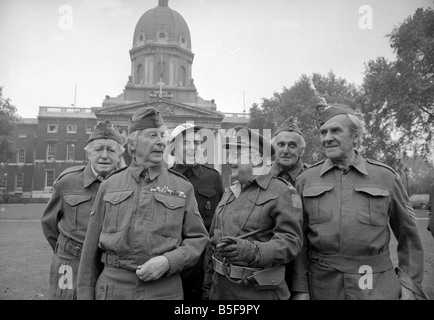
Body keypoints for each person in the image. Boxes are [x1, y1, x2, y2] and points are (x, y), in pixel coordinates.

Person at [292, 103, 428, 300]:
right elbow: (299, 242)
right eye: (323, 132)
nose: (327, 138)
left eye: (336, 130)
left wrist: (409, 286)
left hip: (375, 283)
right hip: (323, 285)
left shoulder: (385, 177)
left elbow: (409, 238)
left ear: (355, 135)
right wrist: (301, 289)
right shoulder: (306, 179)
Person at [76, 107, 209, 300]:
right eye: (152, 135)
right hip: (113, 288)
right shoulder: (110, 185)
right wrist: (84, 294)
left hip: (163, 290)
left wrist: (168, 261)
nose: (160, 142)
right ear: (132, 144)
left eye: (163, 136)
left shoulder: (182, 187)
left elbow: (198, 238)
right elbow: (90, 250)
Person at [202, 126, 303, 300]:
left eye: (236, 154)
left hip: (257, 293)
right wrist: (207, 288)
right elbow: (213, 244)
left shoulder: (282, 191)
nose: (229, 160)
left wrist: (252, 251)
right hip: (220, 291)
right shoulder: (229, 192)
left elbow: (291, 243)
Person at [41, 120, 124, 299]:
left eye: (111, 150)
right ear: (88, 153)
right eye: (98, 149)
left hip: (108, 266)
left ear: (119, 155)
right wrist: (67, 250)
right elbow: (49, 224)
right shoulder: (67, 182)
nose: (104, 155)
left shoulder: (126, 185)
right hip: (70, 262)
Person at [168, 123, 224, 300]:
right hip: (173, 258)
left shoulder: (213, 177)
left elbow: (221, 219)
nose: (192, 148)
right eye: (185, 143)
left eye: (197, 143)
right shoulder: (165, 177)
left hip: (204, 262)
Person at [270, 116, 309, 298]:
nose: (285, 150)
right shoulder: (260, 179)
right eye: (281, 145)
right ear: (274, 148)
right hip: (269, 265)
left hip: (308, 266)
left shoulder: (313, 179)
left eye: (292, 146)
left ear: (301, 150)